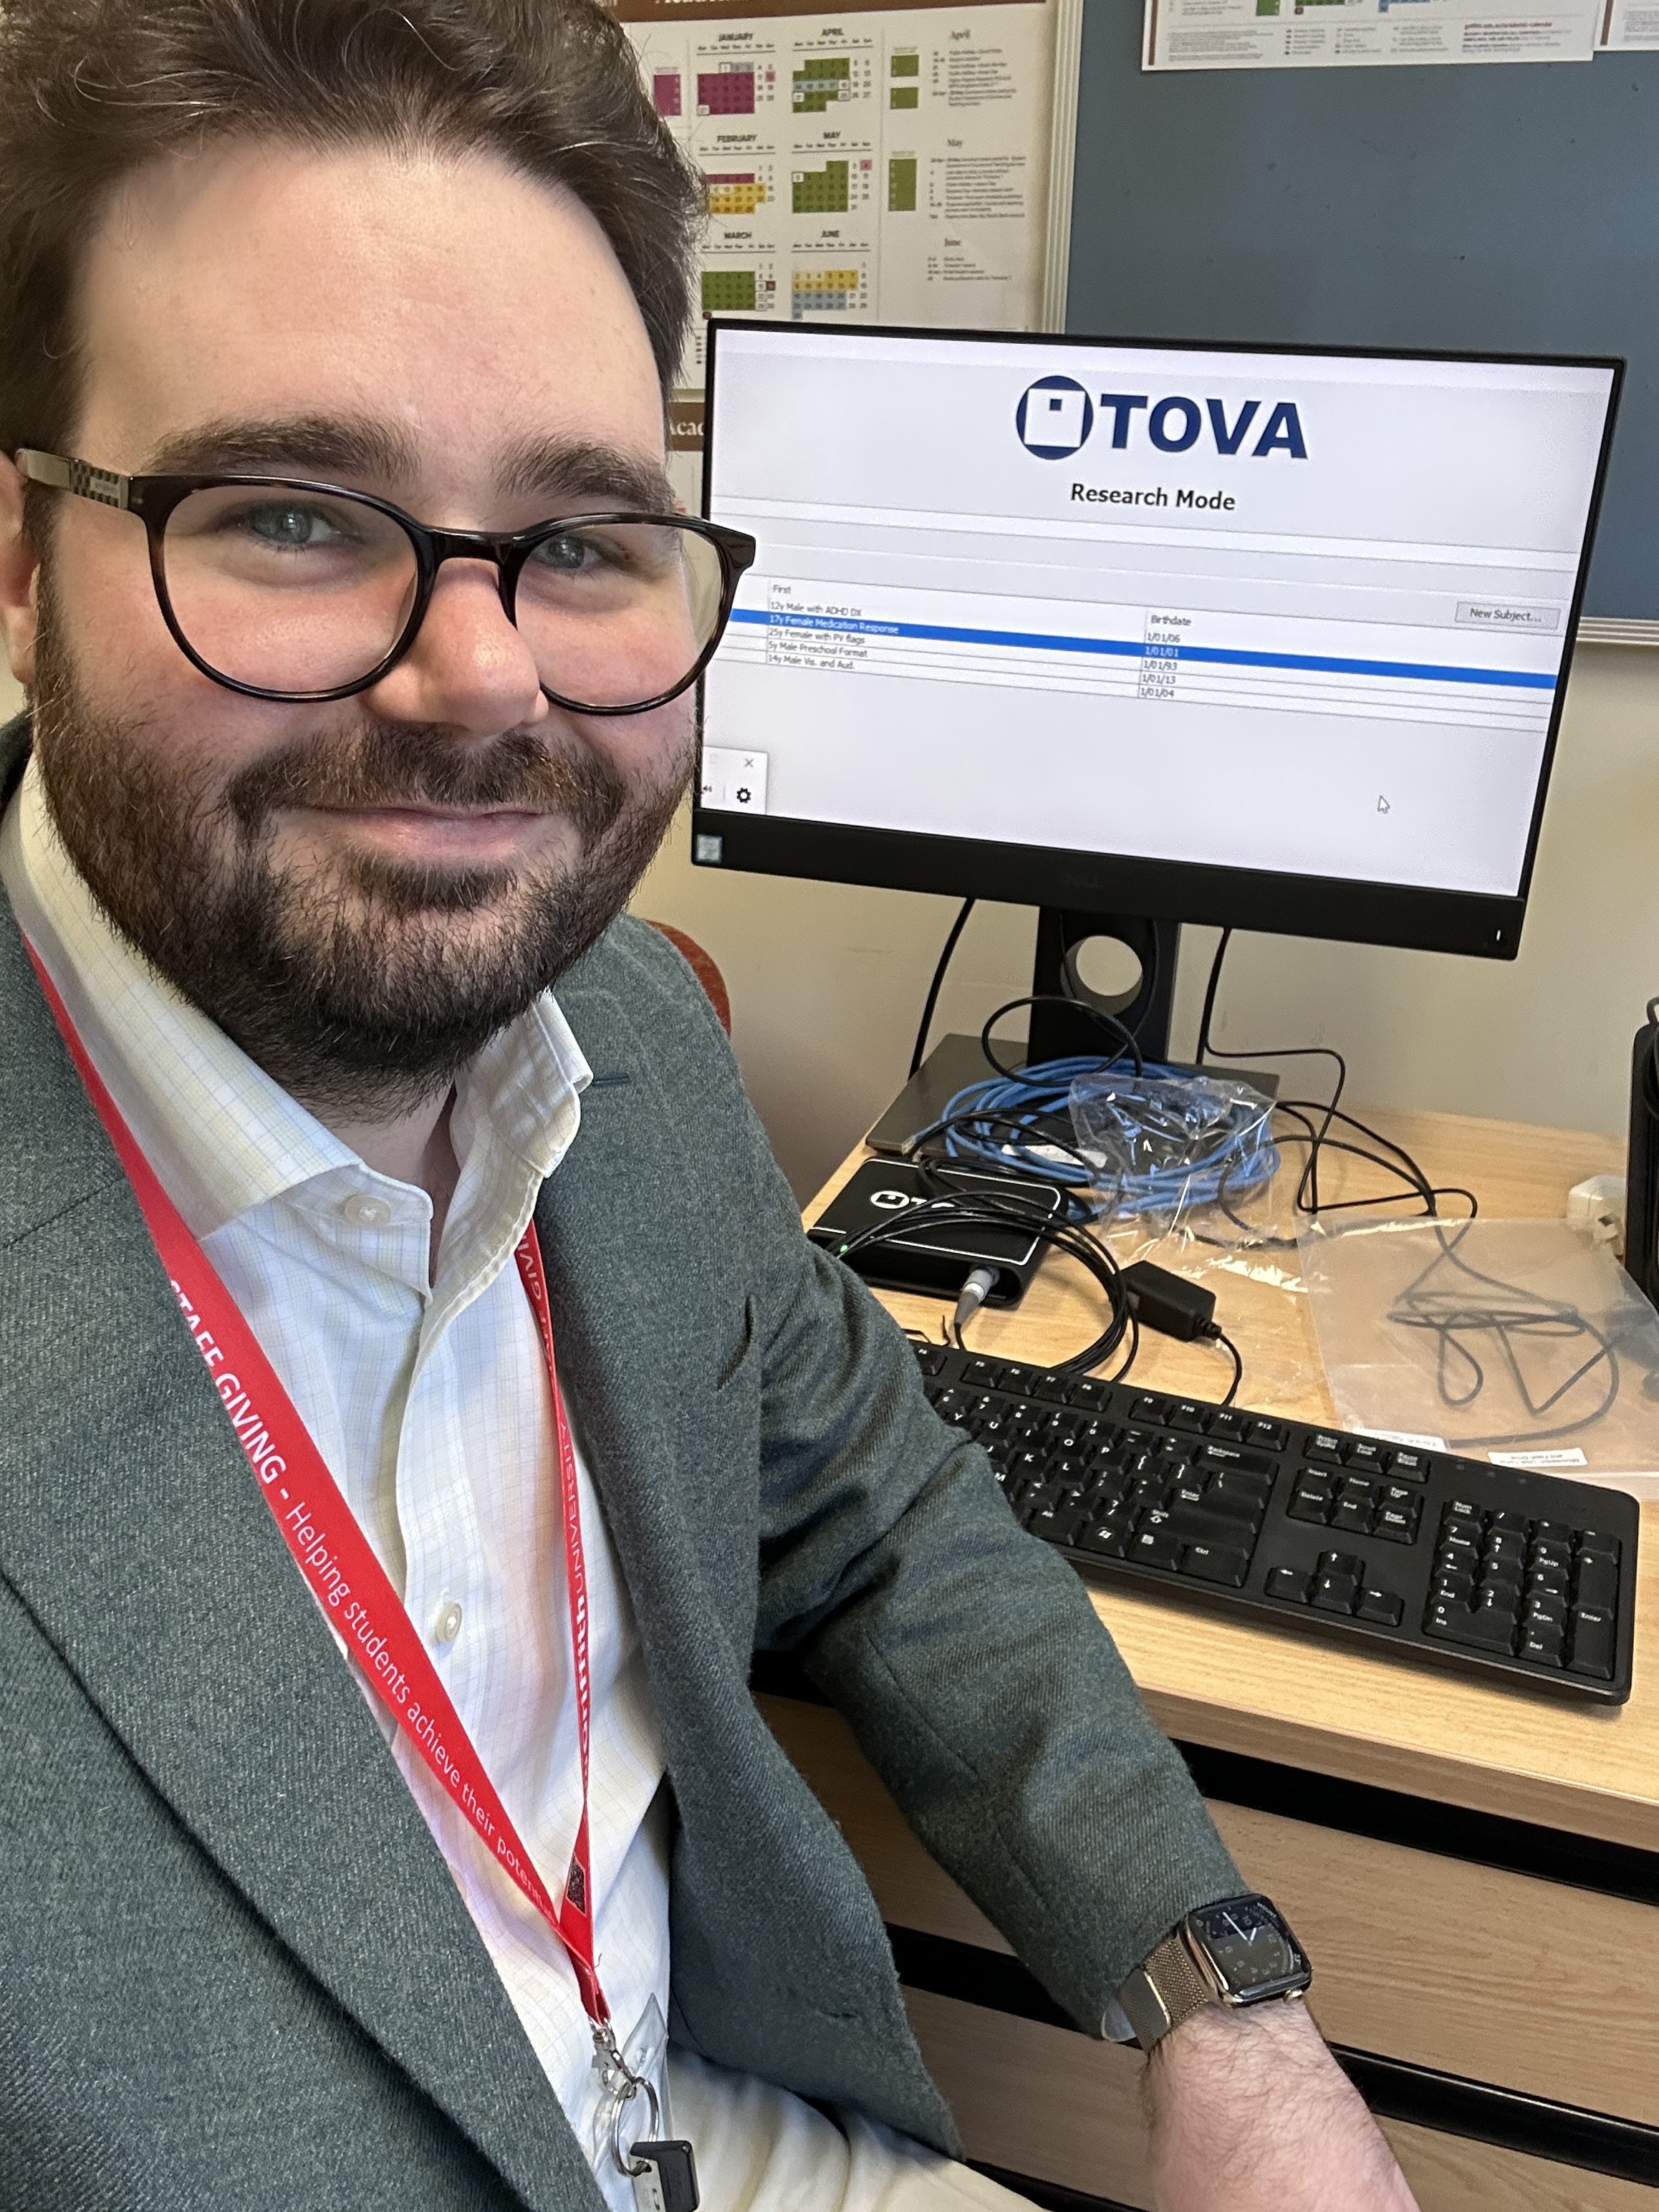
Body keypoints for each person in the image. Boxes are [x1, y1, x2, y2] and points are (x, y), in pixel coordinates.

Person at [0, 5, 1419, 2209]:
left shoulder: (633, 1041)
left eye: (580, 539)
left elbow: (881, 1510)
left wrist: (1223, 2013)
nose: (480, 676)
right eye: (292, 512)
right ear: (18, 558)